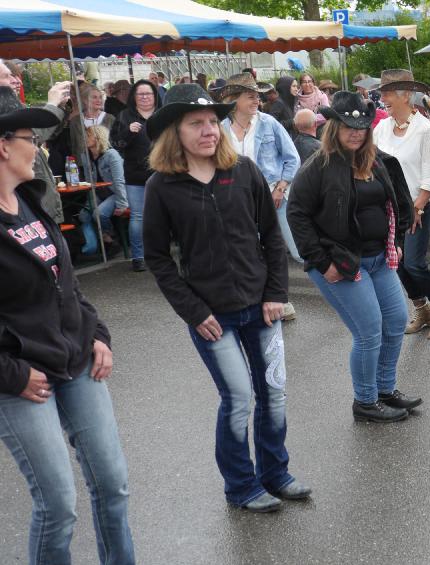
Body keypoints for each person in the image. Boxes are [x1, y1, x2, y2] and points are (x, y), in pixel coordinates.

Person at [144, 83, 311, 512]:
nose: (208, 131)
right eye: (195, 124)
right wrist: (193, 311)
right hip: (212, 316)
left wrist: (276, 294)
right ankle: (241, 486)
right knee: (238, 399)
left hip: (262, 307)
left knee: (274, 394)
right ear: (174, 132)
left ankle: (275, 474)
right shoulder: (162, 186)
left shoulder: (244, 171)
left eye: (212, 122)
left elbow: (271, 235)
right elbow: (158, 259)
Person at [0, 88, 137, 565]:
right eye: (29, 137)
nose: (37, 147)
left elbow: (66, 282)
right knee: (58, 505)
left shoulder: (30, 200)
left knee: (113, 483)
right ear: (3, 146)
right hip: (22, 379)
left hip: (77, 359)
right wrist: (12, 374)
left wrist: (97, 332)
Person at [288, 91, 418, 423]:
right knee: (369, 331)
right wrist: (322, 262)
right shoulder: (318, 166)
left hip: (379, 259)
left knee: (395, 322)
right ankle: (365, 402)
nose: (356, 132)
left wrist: (396, 240)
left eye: (361, 127)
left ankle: (384, 390)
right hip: (341, 262)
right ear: (334, 127)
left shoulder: (375, 160)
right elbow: (297, 215)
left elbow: (395, 203)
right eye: (349, 126)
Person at [373, 69, 430, 340]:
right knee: (397, 262)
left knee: (415, 263)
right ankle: (422, 310)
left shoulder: (425, 129)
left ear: (406, 95)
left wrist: (417, 207)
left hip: (416, 206)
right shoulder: (382, 128)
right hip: (389, 209)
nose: (383, 98)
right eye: (382, 93)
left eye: (387, 93)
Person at [218, 73, 303, 326]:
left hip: (274, 196)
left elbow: (292, 158)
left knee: (297, 248)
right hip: (238, 201)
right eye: (250, 96)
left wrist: (282, 186)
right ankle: (277, 301)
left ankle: (339, 281)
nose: (257, 100)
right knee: (253, 253)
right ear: (234, 99)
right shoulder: (220, 128)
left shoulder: (269, 123)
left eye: (258, 95)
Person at [0, 59, 71, 223]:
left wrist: (59, 107)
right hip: (24, 214)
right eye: (7, 76)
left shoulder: (18, 107)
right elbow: (38, 133)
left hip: (36, 210)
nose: (17, 81)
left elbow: (45, 133)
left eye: (17, 76)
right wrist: (53, 104)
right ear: (4, 146)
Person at [111, 79, 161, 272]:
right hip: (136, 175)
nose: (145, 97)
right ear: (134, 97)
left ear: (155, 96)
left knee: (170, 213)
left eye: (148, 93)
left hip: (164, 173)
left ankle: (165, 254)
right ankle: (138, 257)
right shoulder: (125, 116)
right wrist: (128, 132)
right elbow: (116, 144)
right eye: (140, 94)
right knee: (138, 217)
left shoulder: (163, 114)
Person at [78, 125, 128, 255]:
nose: (85, 138)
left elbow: (119, 181)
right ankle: (93, 245)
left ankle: (110, 239)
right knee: (83, 215)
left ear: (98, 137)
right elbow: (89, 182)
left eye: (88, 135)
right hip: (99, 192)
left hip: (115, 192)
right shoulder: (85, 156)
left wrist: (122, 203)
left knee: (99, 214)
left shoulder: (112, 155)